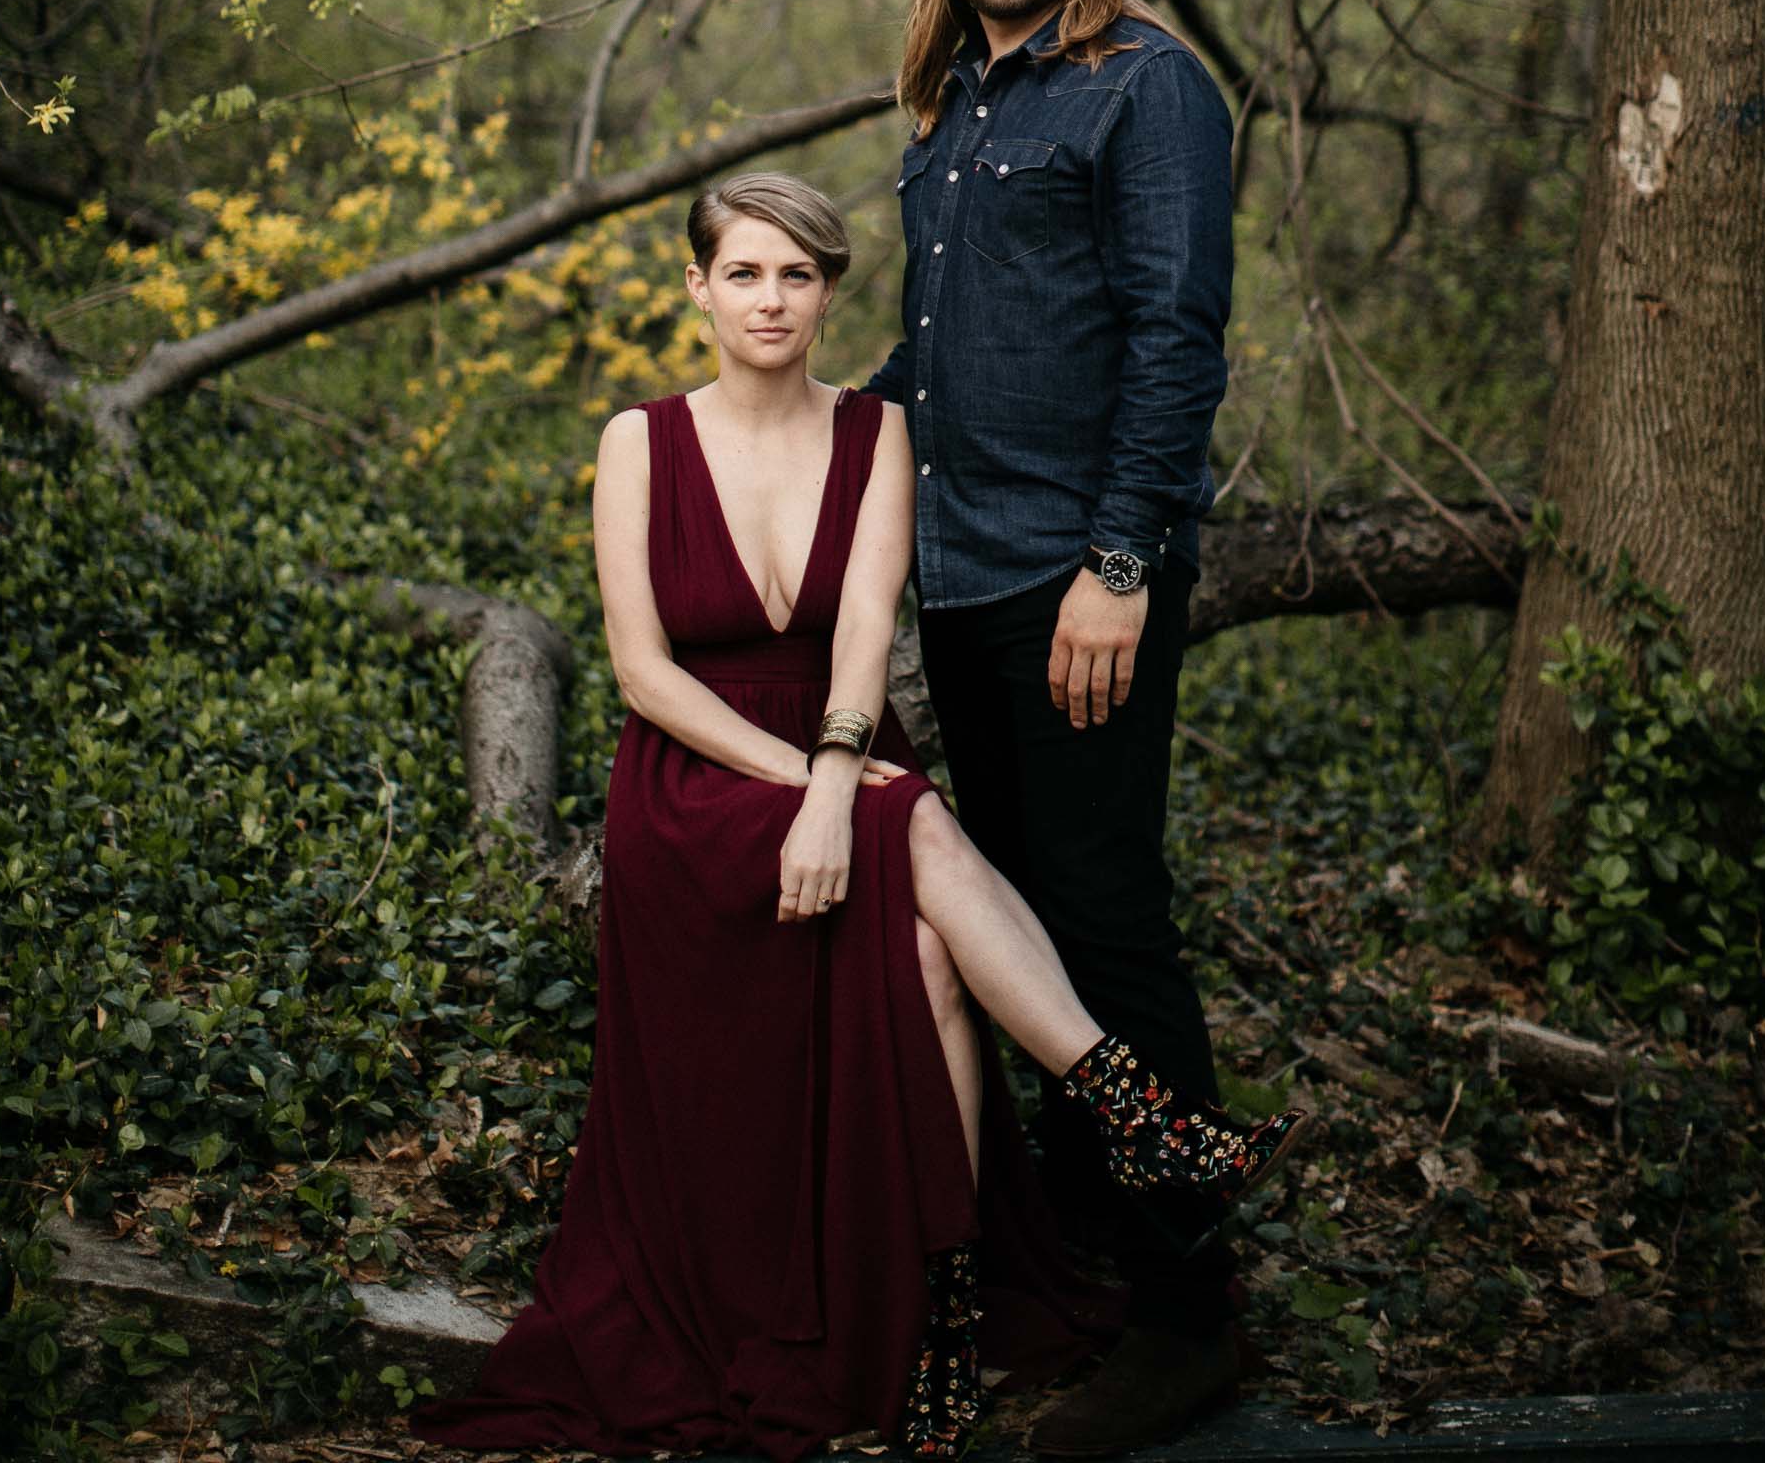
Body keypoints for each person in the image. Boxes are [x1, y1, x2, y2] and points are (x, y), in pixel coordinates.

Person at [411, 172, 1297, 1462]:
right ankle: (1137, 1115)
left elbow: (866, 644)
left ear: (830, 291)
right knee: (917, 824)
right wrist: (809, 789)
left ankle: (936, 1306)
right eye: (746, 273)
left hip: (841, 746)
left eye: (799, 275)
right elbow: (641, 674)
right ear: (699, 286)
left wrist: (833, 785)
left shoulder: (878, 431)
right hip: (693, 777)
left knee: (931, 941)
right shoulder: (637, 440)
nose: (771, 300)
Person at [865, 0, 1288, 1454]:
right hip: (963, 577)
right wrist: (800, 428)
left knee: (1103, 926)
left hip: (1076, 580)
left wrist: (1122, 566)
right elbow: (944, 361)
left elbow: (1177, 340)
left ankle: (1195, 1319)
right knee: (1024, 927)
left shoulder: (1147, 88)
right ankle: (1096, 1261)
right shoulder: (950, 113)